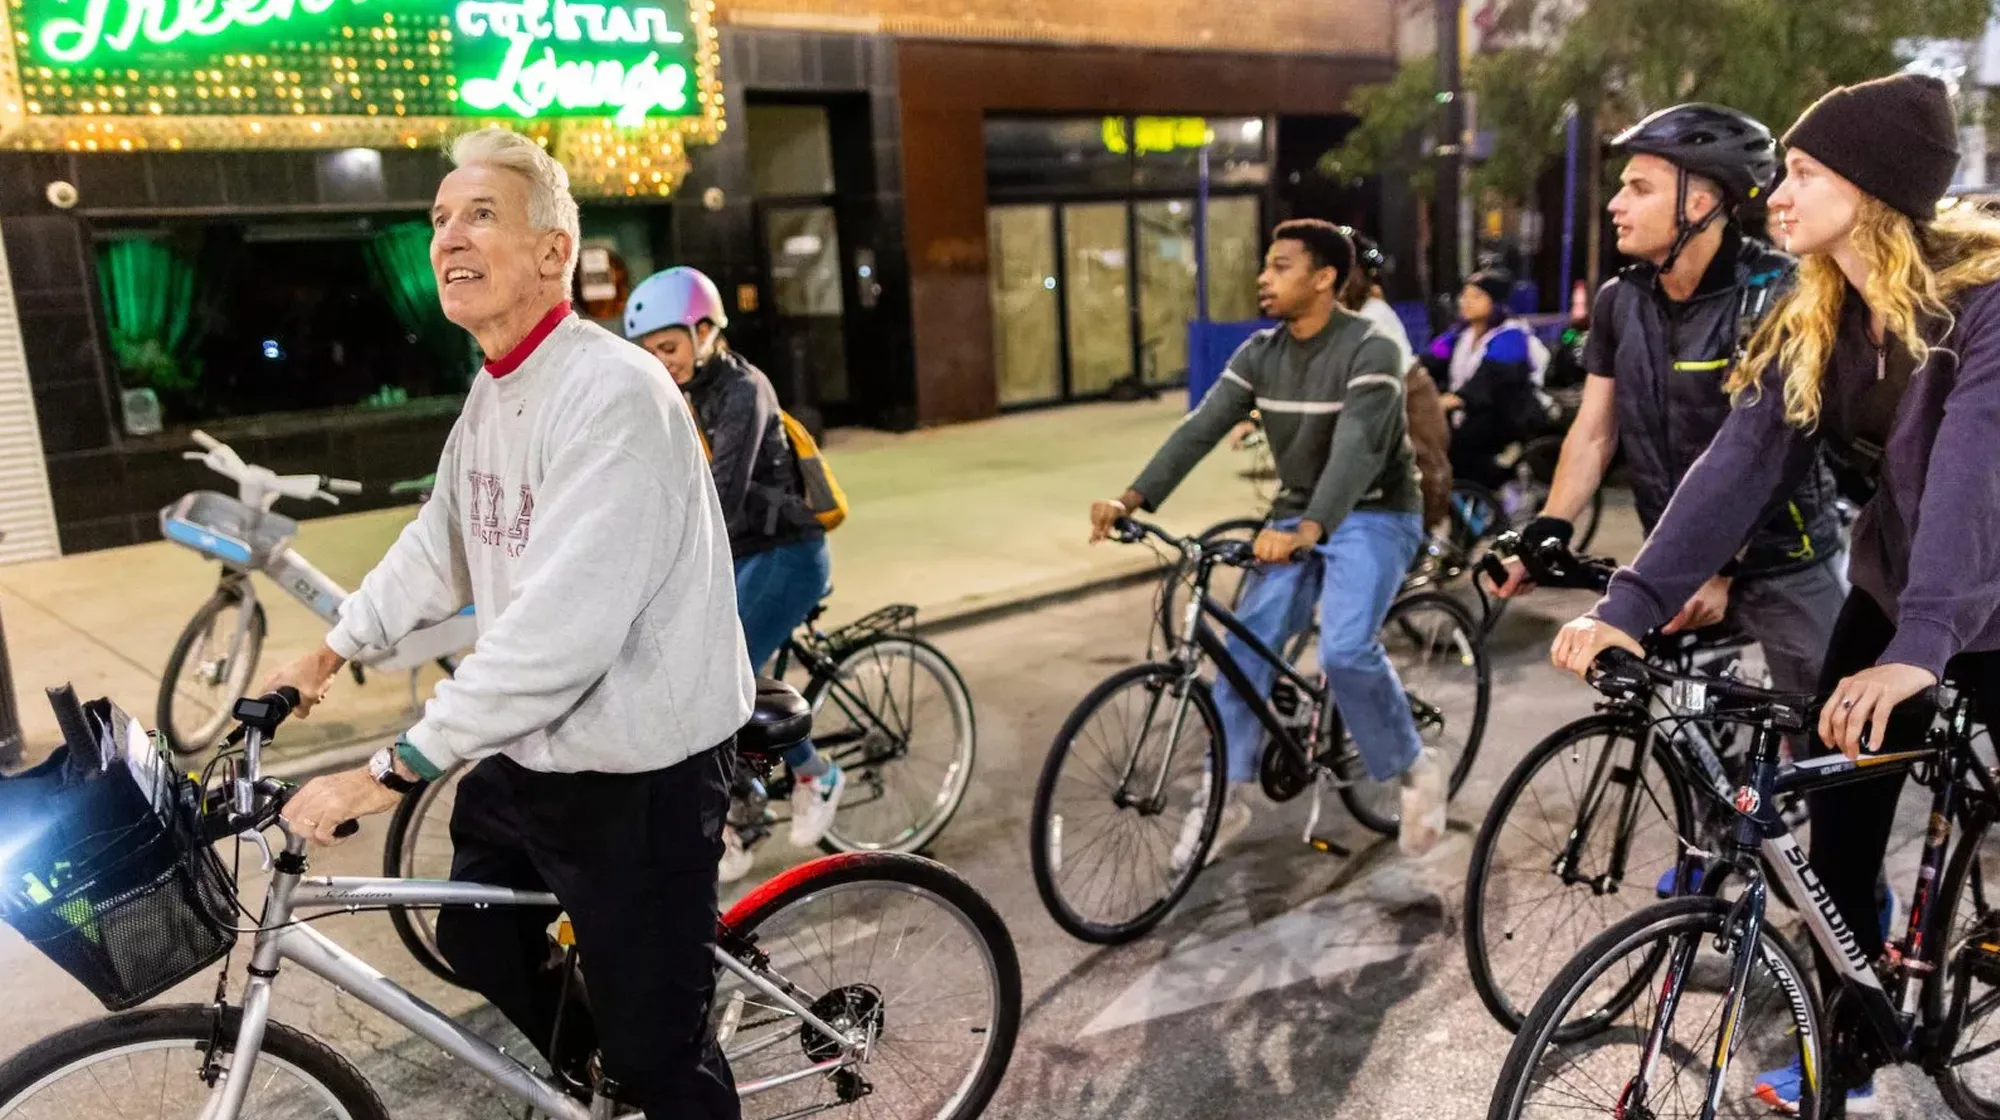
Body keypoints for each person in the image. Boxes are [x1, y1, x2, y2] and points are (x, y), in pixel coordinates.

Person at [273, 127, 748, 1120]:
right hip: (540, 758)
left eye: (480, 213)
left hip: (640, 772)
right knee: (478, 934)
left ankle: (643, 1076)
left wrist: (381, 771)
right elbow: (439, 540)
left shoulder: (613, 394)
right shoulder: (494, 390)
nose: (448, 235)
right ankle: (595, 1083)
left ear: (551, 253)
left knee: (662, 1054)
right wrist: (327, 650)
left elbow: (555, 636)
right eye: (440, 218)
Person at [1552, 73, 2000, 1114]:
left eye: (1802, 173)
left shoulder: (1977, 309)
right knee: (1835, 829)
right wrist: (1626, 603)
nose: (1776, 195)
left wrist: (1920, 645)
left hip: (1983, 596)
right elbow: (1735, 466)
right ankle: (1838, 1053)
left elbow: (1970, 480)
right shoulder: (1818, 314)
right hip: (1896, 594)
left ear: (1874, 188)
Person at [1088, 218, 1447, 863]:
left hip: (1376, 512)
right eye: (1266, 265)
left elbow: (1360, 447)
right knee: (1243, 650)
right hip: (1295, 513)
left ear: (1324, 278)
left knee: (1343, 649)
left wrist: (1312, 529)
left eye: (1281, 266)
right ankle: (1227, 794)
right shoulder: (1261, 354)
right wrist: (1130, 499)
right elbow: (1199, 430)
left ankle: (1416, 768)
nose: (1264, 277)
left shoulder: (1370, 346)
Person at [1499, 102, 1849, 709]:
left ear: (1697, 203)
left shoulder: (1780, 293)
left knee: (1829, 736)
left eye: (1638, 188)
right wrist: (1548, 528)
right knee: (1674, 729)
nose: (1616, 204)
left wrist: (1721, 569)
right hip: (1676, 555)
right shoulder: (1620, 301)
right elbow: (1594, 431)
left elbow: (1761, 454)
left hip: (1783, 561)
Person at [623, 265, 846, 881]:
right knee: (694, 670)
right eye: (649, 353)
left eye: (668, 347)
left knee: (726, 676)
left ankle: (815, 775)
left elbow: (719, 494)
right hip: (743, 554)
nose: (660, 361)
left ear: (704, 329)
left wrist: (658, 560)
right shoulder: (687, 392)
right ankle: (740, 810)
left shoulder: (744, 390)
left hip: (787, 555)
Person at [1339, 227, 1453, 533]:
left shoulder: (1373, 314)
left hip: (1410, 397)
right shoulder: (1346, 313)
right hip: (1384, 398)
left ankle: (1423, 539)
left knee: (1419, 473)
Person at [1423, 269, 1554, 491]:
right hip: (1468, 413)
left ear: (1496, 302)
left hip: (1504, 416)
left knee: (1460, 449)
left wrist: (1453, 400)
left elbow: (1490, 380)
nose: (1466, 302)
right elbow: (1428, 360)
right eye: (1465, 295)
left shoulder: (1511, 336)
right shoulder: (1460, 335)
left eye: (1476, 296)